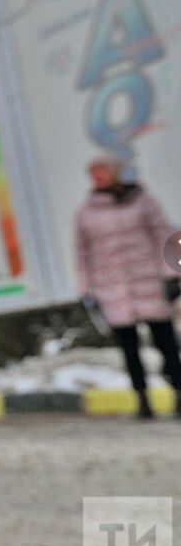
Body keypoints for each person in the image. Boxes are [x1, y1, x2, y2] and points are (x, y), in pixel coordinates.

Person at [75, 155, 181, 419]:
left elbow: (163, 235)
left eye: (102, 170)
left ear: (116, 172)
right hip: (113, 290)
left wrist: (171, 274)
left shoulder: (142, 201)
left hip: (149, 284)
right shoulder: (85, 212)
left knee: (166, 344)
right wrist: (85, 288)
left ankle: (179, 391)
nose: (98, 176)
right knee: (129, 350)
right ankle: (142, 399)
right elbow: (82, 252)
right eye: (93, 172)